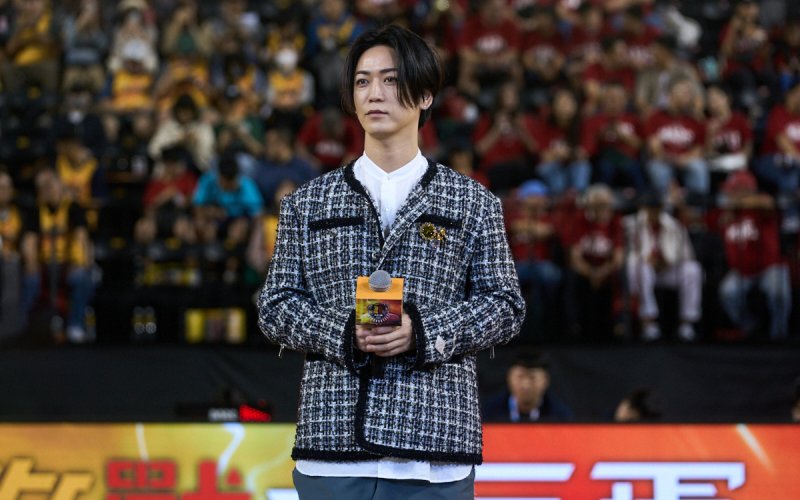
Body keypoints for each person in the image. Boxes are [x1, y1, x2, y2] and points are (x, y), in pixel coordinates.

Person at [258, 25, 524, 499]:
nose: (374, 93)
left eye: (390, 80)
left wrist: (423, 332)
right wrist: (343, 333)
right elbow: (275, 306)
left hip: (434, 452)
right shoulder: (307, 203)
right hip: (332, 447)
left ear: (424, 95)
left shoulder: (473, 202)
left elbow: (505, 306)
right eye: (362, 81)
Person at [21, 169, 94, 343]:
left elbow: (82, 238)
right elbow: (28, 241)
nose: (46, 191)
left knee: (81, 278)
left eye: (49, 185)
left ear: (59, 184)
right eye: (41, 187)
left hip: (68, 263)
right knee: (30, 280)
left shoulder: (73, 208)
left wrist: (81, 262)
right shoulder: (36, 211)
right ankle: (25, 327)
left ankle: (75, 325)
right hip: (44, 265)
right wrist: (31, 264)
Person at [716, 170, 791, 340]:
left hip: (770, 267)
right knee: (727, 292)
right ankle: (749, 327)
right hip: (742, 272)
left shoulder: (759, 208)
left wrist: (740, 202)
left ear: (745, 190)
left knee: (778, 292)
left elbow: (768, 202)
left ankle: (779, 334)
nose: (728, 195)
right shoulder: (727, 214)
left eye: (732, 190)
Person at [624, 191, 702, 341]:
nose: (653, 211)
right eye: (649, 207)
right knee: (640, 268)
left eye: (656, 207)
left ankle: (686, 324)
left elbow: (687, 254)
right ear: (642, 207)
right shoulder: (631, 224)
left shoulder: (674, 225)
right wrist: (646, 259)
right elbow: (627, 255)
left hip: (667, 271)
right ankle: (648, 323)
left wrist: (669, 260)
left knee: (693, 269)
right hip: (645, 271)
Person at [482, 351, 574, 422]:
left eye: (532, 377)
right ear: (509, 378)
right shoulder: (487, 412)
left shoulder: (560, 416)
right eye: (520, 376)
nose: (526, 385)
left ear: (545, 380)